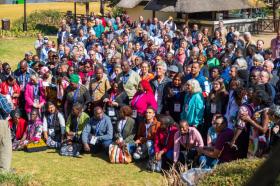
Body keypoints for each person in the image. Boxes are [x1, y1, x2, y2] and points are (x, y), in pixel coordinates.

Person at [0, 93, 13, 170]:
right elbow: (7, 110)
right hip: (1, 123)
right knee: (5, 147)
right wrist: (10, 104)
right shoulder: (1, 97)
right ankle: (4, 172)